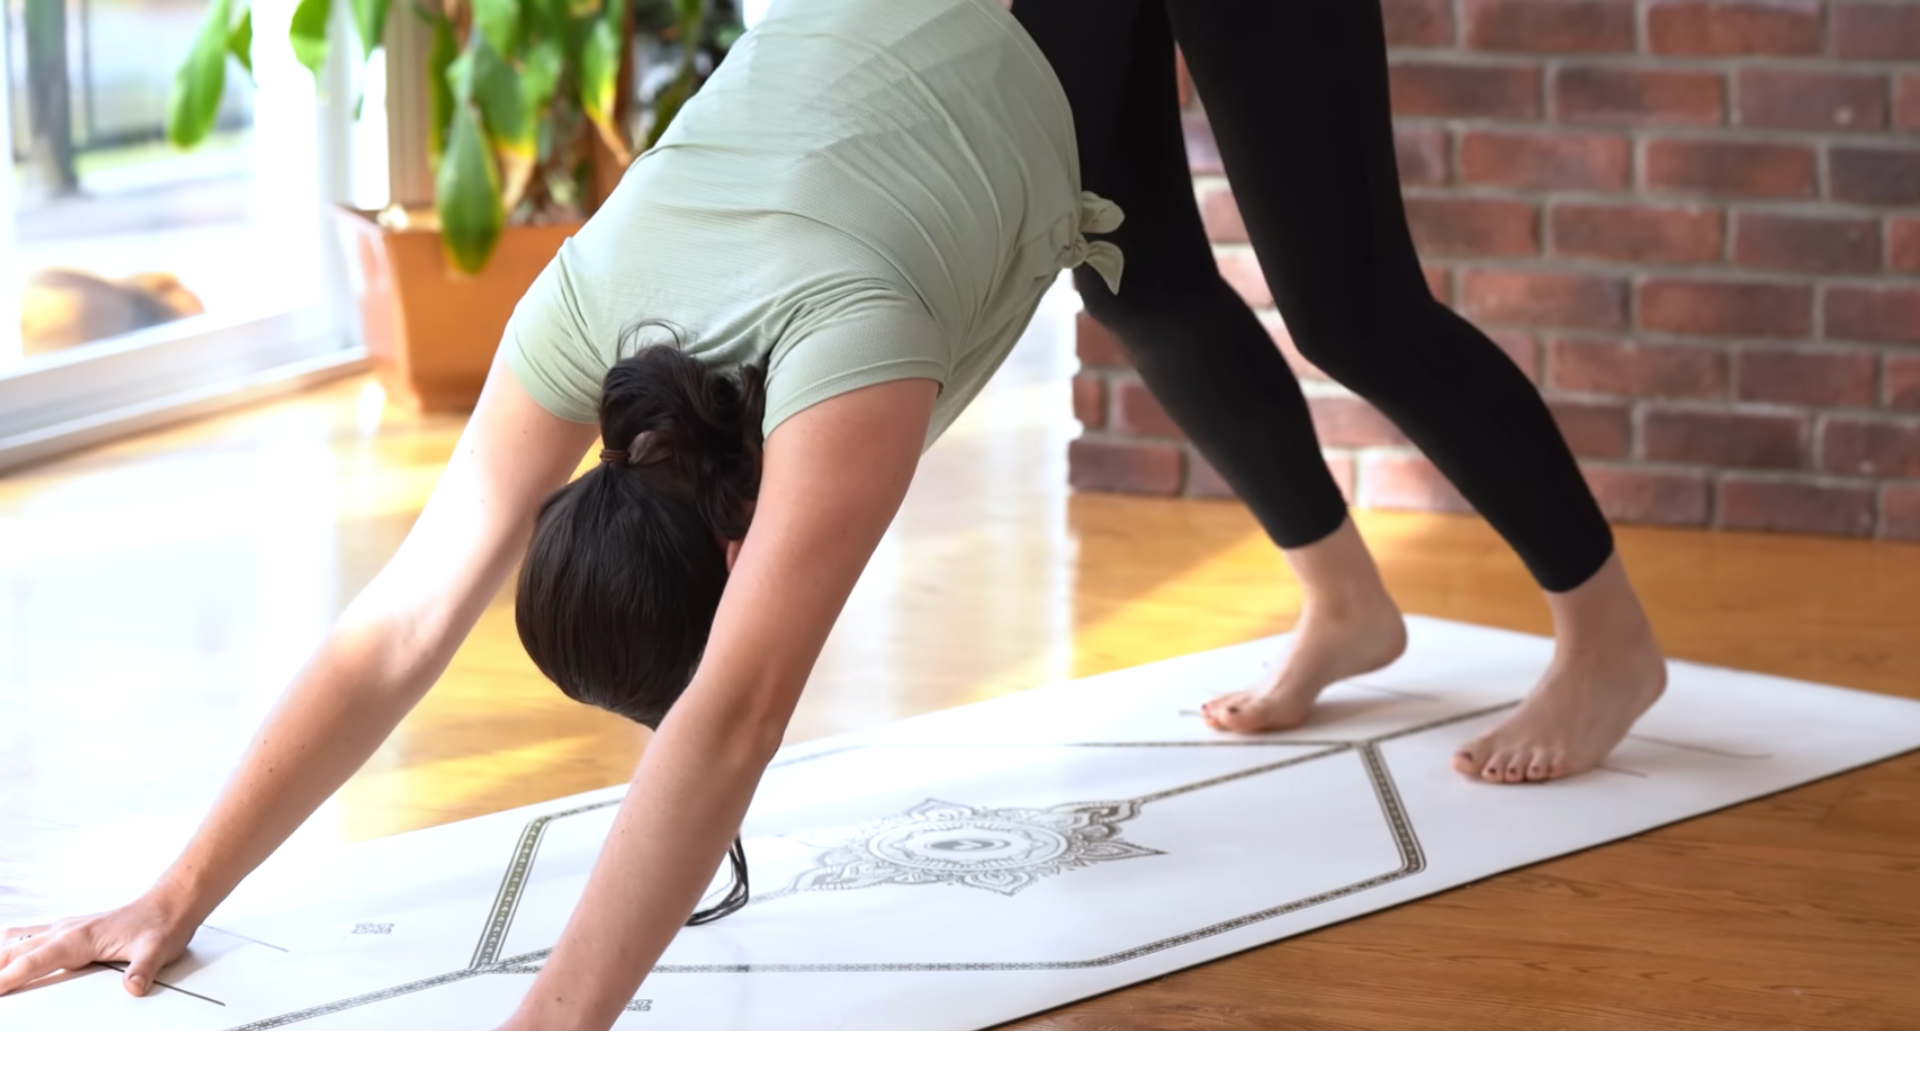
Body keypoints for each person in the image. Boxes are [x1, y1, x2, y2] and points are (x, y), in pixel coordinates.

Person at [0, 0, 1663, 1028]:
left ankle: (1609, 640)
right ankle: (1348, 610)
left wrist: (555, 1027)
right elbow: (396, 624)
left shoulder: (844, 363)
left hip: (981, 50)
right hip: (982, 42)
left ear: (732, 553)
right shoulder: (582, 321)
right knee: (1145, 277)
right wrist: (179, 886)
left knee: (1350, 303)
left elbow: (730, 724)